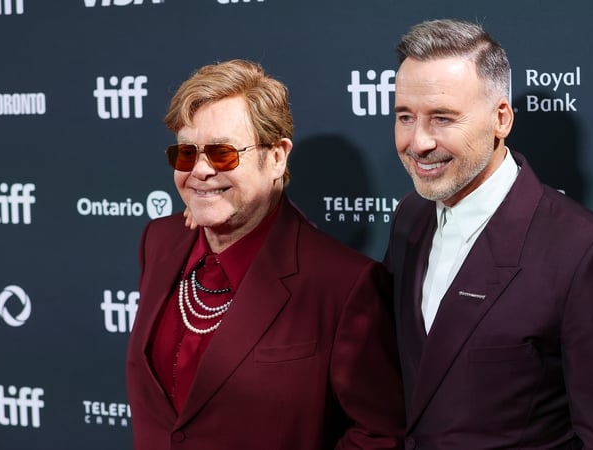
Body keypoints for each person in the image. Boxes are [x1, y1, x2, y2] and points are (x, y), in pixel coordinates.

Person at [384, 19, 593, 448]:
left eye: (442, 118)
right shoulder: (410, 216)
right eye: (405, 117)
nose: (418, 142)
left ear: (501, 119)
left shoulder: (582, 252)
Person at [125, 59, 405, 450]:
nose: (200, 170)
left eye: (222, 153)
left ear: (276, 157)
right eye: (187, 153)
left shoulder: (343, 283)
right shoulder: (160, 241)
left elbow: (379, 434)